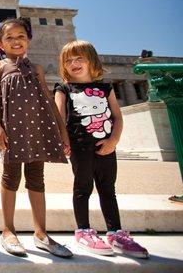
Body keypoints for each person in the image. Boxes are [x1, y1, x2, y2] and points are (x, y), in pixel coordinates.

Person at [54, 40, 148, 258]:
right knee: (82, 187)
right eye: (68, 60)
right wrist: (64, 140)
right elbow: (59, 117)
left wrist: (114, 140)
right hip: (79, 145)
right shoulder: (64, 88)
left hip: (105, 144)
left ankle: (116, 233)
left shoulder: (105, 87)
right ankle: (84, 231)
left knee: (108, 189)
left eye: (79, 58)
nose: (74, 63)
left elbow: (117, 116)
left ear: (91, 61)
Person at [0, 17, 72, 258]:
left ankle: (41, 233)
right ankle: (8, 230)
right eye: (10, 38)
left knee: (37, 178)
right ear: (0, 44)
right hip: (11, 130)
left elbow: (48, 99)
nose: (16, 41)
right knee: (10, 176)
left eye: (21, 37)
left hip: (38, 129)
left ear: (28, 40)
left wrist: (62, 131)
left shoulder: (37, 69)